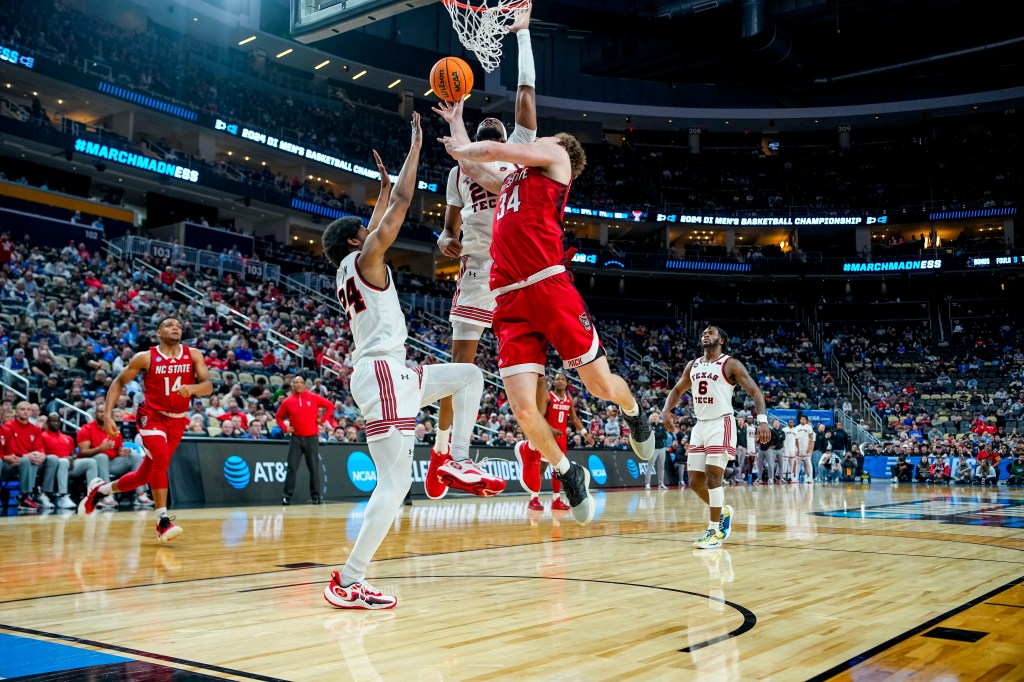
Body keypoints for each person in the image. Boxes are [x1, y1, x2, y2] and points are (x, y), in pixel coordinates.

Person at [439, 101, 655, 528]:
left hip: (548, 285)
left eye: (544, 139)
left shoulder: (557, 159)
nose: (537, 139)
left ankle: (635, 414)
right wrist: (455, 122)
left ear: (562, 150)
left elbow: (482, 154)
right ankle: (567, 473)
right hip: (508, 298)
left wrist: (467, 147)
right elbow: (471, 163)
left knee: (598, 385)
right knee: (521, 409)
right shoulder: (511, 179)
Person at [319, 115, 499, 611]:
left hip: (392, 372)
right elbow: (398, 207)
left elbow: (379, 219)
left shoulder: (351, 264)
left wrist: (380, 190)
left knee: (468, 376)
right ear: (358, 242)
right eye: (364, 229)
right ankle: (349, 580)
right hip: (382, 373)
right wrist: (416, 147)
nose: (372, 228)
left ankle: (455, 457)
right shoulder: (364, 261)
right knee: (394, 485)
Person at [436, 6, 537, 451]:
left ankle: (538, 444)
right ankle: (444, 448)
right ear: (476, 139)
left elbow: (526, 98)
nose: (492, 122)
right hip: (478, 267)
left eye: (498, 124)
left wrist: (523, 37)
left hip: (519, 267)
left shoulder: (518, 150)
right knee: (459, 363)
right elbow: (447, 230)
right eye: (484, 126)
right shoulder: (460, 170)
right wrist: (445, 240)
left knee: (529, 365)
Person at [79, 317, 213, 543]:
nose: (176, 328)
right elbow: (119, 382)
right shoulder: (145, 357)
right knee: (161, 458)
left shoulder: (193, 354)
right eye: (170, 325)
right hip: (151, 416)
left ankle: (100, 490)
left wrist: (192, 388)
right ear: (159, 332)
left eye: (179, 326)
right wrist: (109, 415)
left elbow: (208, 386)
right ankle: (162, 521)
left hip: (178, 421)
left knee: (144, 475)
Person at [662, 327, 770, 549]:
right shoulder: (693, 365)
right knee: (695, 482)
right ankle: (723, 511)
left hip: (722, 423)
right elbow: (676, 390)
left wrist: (762, 421)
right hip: (700, 426)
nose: (705, 334)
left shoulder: (731, 364)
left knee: (713, 477)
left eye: (710, 332)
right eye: (703, 332)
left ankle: (714, 530)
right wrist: (666, 410)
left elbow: (755, 392)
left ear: (721, 339)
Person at [518, 371, 593, 511]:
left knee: (559, 471)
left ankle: (556, 500)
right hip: (546, 437)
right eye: (557, 379)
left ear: (566, 383)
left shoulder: (569, 399)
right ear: (553, 382)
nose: (559, 381)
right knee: (540, 468)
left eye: (562, 379)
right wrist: (550, 428)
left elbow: (575, 418)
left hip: (561, 439)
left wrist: (585, 434)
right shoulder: (547, 396)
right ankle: (533, 499)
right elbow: (538, 416)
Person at [76, 401, 149, 508]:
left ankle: (141, 494)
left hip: (112, 463)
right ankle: (106, 495)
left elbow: (118, 450)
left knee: (136, 457)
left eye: (105, 412)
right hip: (95, 464)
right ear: (95, 414)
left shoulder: (113, 429)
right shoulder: (86, 429)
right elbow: (83, 452)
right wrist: (101, 448)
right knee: (102, 457)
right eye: (100, 412)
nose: (103, 414)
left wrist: (124, 451)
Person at [276, 375, 334, 505]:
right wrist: (285, 429)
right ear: (292, 385)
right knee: (291, 468)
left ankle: (316, 496)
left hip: (311, 438)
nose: (298, 384)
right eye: (295, 382)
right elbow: (279, 417)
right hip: (296, 438)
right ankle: (286, 496)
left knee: (313, 468)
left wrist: (322, 420)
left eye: (301, 382)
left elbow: (330, 406)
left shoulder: (313, 397)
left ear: (304, 385)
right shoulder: (287, 401)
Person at [2, 401, 53, 511]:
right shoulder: (8, 427)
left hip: (30, 461)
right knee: (28, 461)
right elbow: (11, 449)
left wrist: (42, 455)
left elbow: (39, 446)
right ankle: (25, 496)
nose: (25, 412)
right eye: (22, 409)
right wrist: (26, 455)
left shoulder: (36, 429)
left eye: (28, 409)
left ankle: (43, 495)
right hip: (13, 463)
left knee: (51, 459)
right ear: (16, 412)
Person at [40, 412, 87, 510]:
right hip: (51, 466)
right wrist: (63, 458)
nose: (55, 424)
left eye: (57, 421)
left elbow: (74, 454)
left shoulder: (67, 437)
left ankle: (92, 496)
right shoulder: (42, 436)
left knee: (91, 462)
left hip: (68, 464)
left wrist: (72, 458)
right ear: (47, 423)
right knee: (63, 461)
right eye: (52, 421)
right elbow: (41, 454)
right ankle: (62, 496)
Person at [645, 411, 669, 491]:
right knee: (650, 466)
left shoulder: (661, 425)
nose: (655, 418)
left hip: (662, 448)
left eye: (657, 416)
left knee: (661, 467)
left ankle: (661, 483)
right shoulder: (649, 426)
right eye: (654, 416)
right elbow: (652, 436)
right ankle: (647, 484)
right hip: (653, 448)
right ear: (651, 418)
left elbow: (665, 436)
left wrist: (657, 434)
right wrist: (659, 434)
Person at [794, 415, 814, 484]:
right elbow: (795, 439)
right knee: (797, 464)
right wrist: (796, 448)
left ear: (806, 420)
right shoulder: (796, 428)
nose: (802, 420)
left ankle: (810, 478)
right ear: (800, 420)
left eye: (804, 419)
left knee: (808, 463)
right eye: (801, 419)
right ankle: (796, 478)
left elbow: (811, 439)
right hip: (799, 448)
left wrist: (809, 448)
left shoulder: (809, 427)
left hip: (806, 448)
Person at [782, 418, 798, 482]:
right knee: (785, 463)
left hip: (793, 448)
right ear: (788, 423)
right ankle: (783, 476)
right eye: (790, 422)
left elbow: (797, 440)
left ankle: (790, 477)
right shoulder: (784, 429)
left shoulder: (796, 430)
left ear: (793, 423)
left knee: (791, 463)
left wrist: (797, 449)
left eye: (792, 422)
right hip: (786, 448)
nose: (791, 423)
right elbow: (782, 439)